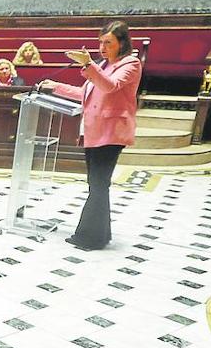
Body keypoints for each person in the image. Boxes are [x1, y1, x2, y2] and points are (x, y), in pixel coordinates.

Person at [40, 20, 142, 252]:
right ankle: (100, 235)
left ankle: (89, 237)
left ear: (122, 43)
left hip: (112, 132)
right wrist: (56, 86)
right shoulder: (102, 65)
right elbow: (87, 93)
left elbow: (109, 87)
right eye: (100, 42)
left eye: (108, 43)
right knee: (97, 185)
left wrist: (88, 64)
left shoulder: (131, 64)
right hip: (93, 130)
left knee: (98, 184)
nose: (102, 47)